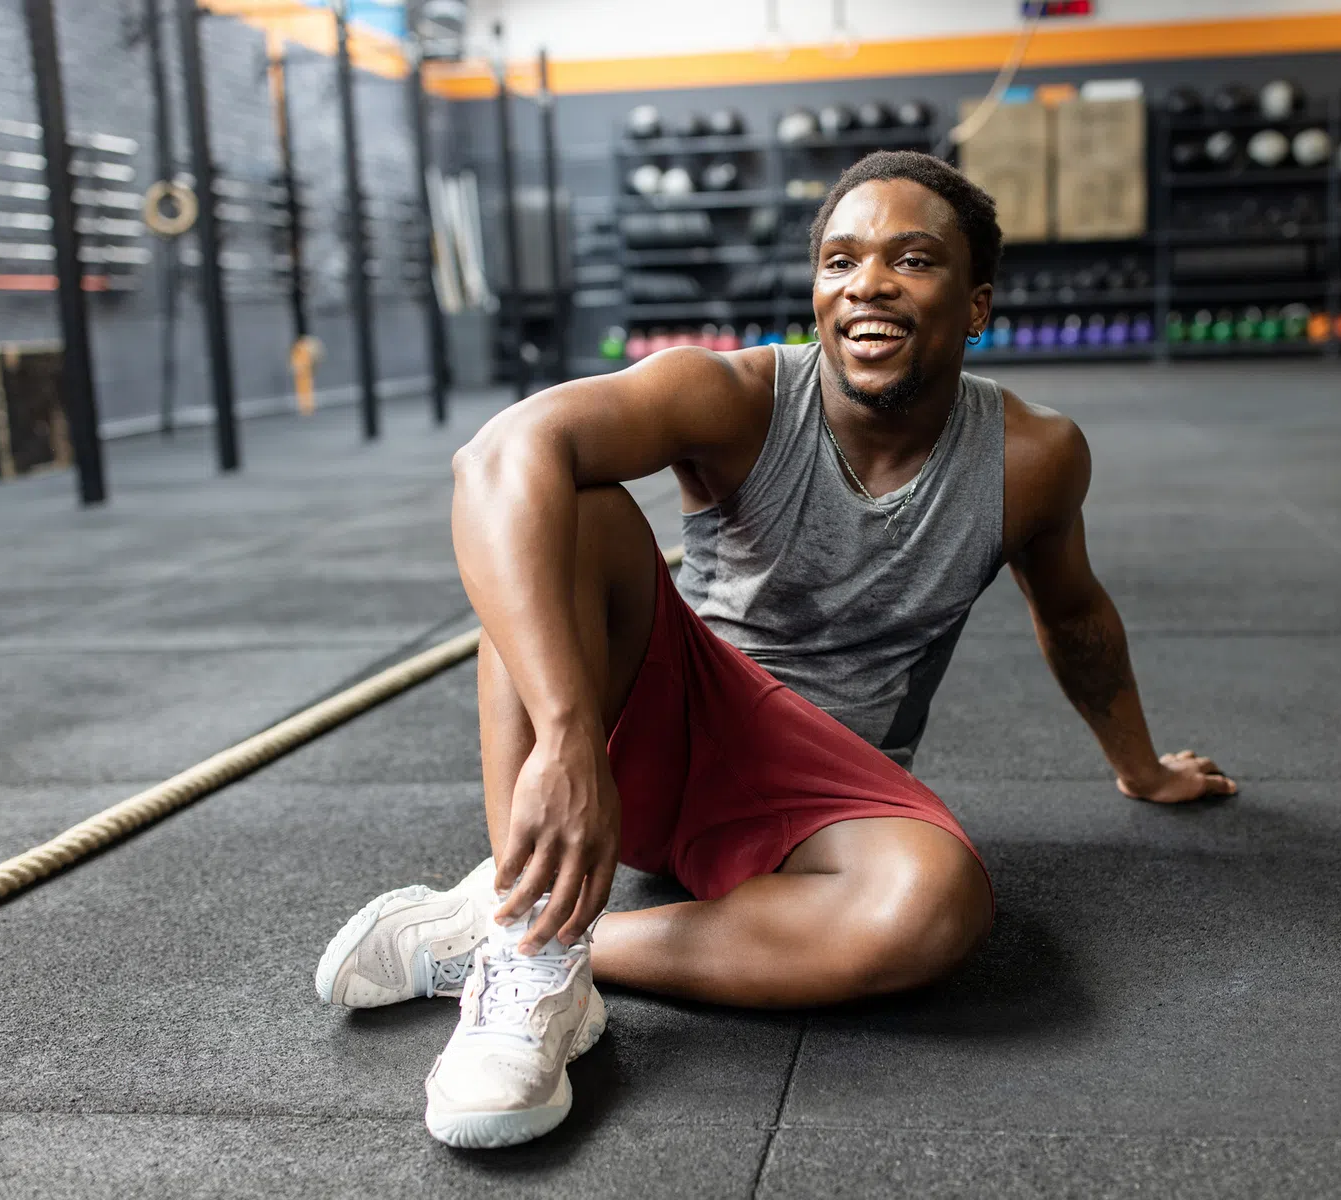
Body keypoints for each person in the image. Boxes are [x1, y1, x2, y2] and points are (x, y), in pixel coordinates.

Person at [313, 150, 1236, 1149]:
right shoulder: (736, 396)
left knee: (932, 906)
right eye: (839, 261)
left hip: (822, 797)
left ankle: (527, 936)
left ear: (974, 307)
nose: (867, 283)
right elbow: (495, 453)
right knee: (561, 509)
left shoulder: (1033, 456)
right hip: (656, 732)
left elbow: (1074, 615)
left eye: (911, 259)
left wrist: (1139, 769)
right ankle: (529, 962)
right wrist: (571, 736)